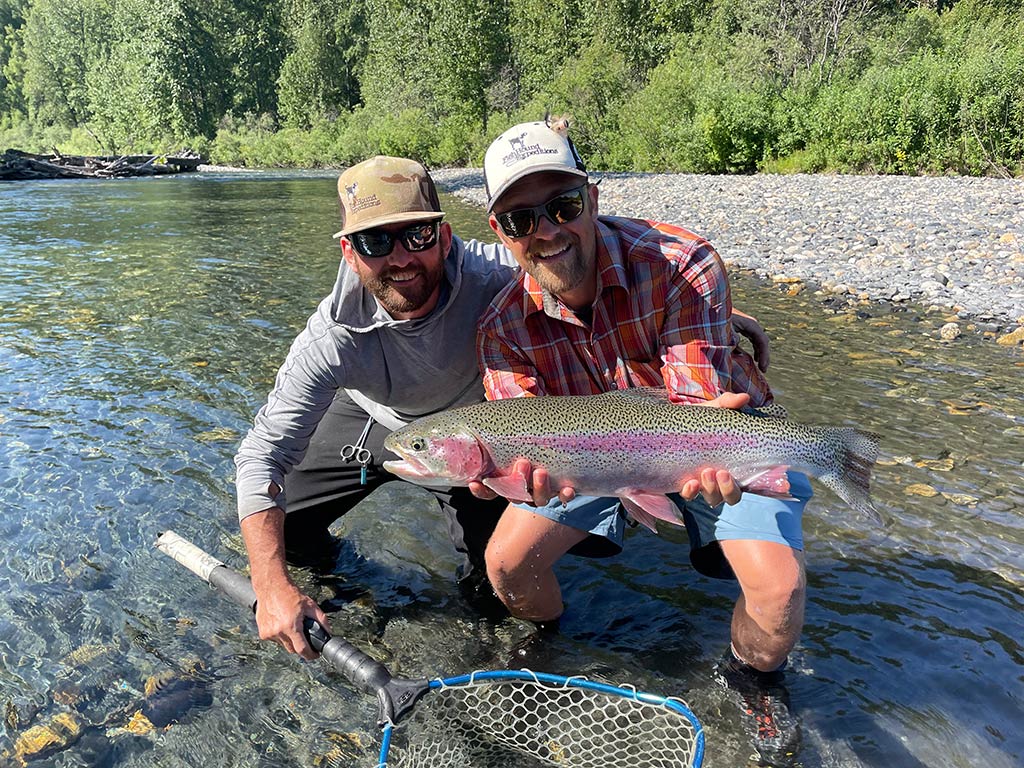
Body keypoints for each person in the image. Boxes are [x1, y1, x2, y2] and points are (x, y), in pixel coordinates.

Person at [232, 154, 772, 664]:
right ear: (349, 252)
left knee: (492, 592)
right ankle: (336, 587)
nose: (399, 259)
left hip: (479, 439)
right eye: (374, 242)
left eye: (417, 235)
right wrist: (270, 586)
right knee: (284, 539)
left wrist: (713, 308)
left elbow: (571, 251)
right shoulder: (331, 338)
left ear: (444, 237)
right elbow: (262, 453)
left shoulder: (497, 270)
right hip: (370, 421)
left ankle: (557, 636)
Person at [473, 119, 810, 764]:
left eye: (562, 207)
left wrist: (705, 453)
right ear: (500, 232)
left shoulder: (682, 266)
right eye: (520, 220)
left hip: (711, 447)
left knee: (778, 594)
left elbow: (699, 412)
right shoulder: (501, 326)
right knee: (506, 566)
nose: (544, 230)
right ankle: (548, 651)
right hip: (587, 459)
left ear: (592, 199)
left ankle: (752, 682)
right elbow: (520, 434)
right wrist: (512, 478)